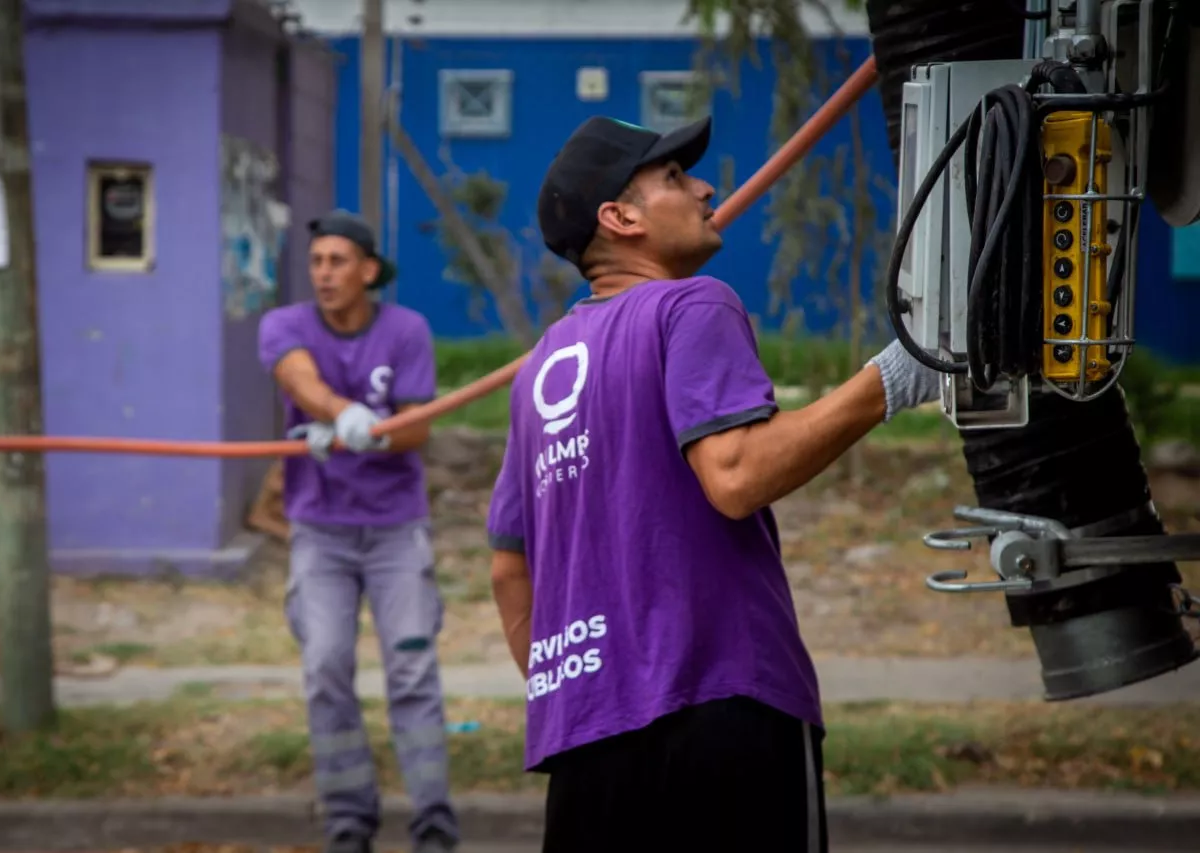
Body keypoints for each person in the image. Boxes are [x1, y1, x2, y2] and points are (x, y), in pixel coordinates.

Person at [484, 115, 942, 851]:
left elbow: (511, 565)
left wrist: (573, 684)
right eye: (672, 177)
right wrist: (891, 380)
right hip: (725, 703)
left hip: (586, 737)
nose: (704, 187)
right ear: (620, 217)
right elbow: (734, 474)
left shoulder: (541, 364)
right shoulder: (690, 304)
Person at [258, 209, 459, 853]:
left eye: (338, 261)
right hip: (320, 530)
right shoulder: (284, 325)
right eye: (316, 262)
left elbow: (418, 426)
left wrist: (366, 433)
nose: (323, 273)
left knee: (411, 670)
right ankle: (349, 821)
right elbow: (298, 377)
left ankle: (432, 822)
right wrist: (341, 414)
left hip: (396, 530)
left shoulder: (406, 331)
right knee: (325, 668)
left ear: (369, 270)